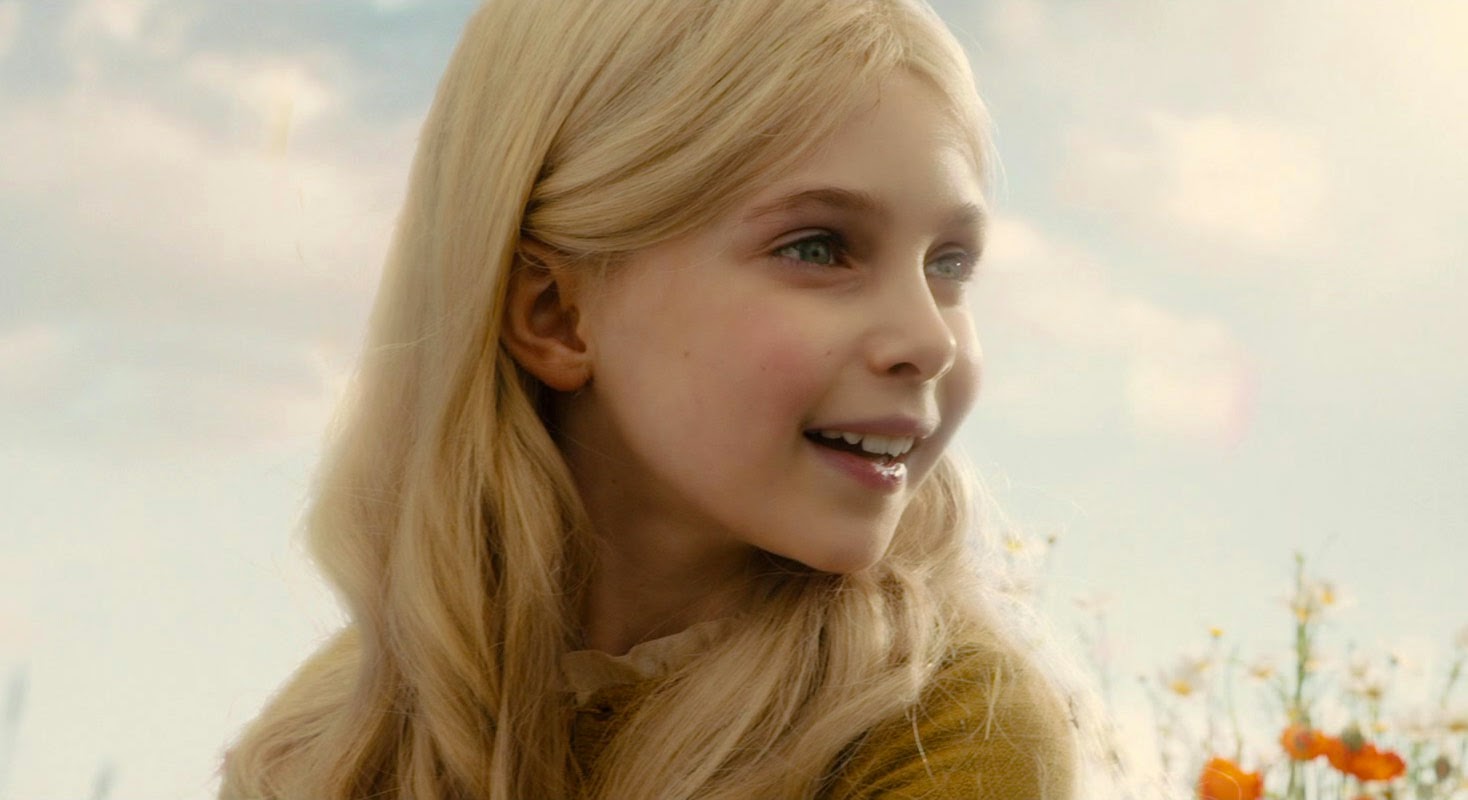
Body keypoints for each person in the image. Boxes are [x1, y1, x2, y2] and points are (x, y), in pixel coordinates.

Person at [218, 0, 1081, 797]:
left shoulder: (947, 732)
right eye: (819, 248)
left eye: (949, 264)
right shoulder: (334, 734)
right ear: (556, 316)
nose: (931, 341)